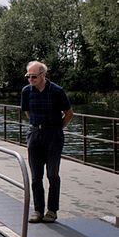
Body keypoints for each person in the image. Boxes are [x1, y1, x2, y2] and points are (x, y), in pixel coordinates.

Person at [21, 61, 73, 224]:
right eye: (28, 76)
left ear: (43, 75)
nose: (30, 79)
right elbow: (27, 112)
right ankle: (38, 210)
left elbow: (69, 113)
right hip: (35, 133)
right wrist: (37, 126)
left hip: (53, 135)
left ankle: (52, 210)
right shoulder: (26, 91)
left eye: (34, 76)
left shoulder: (57, 91)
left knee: (52, 174)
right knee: (36, 176)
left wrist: (58, 127)